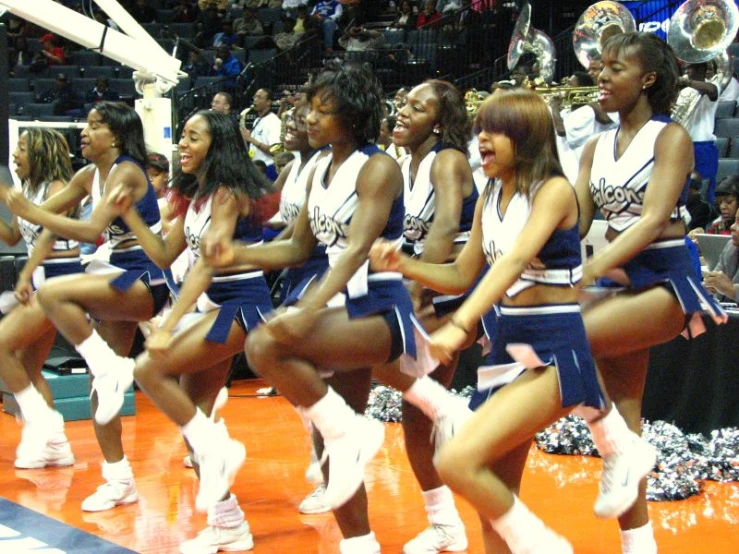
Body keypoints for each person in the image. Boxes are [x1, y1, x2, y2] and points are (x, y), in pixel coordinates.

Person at [203, 62, 470, 554]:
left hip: (380, 309)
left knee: (265, 343)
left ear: (351, 115)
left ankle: (368, 429)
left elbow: (354, 249)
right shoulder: (320, 169)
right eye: (310, 106)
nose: (308, 117)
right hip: (342, 306)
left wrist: (308, 308)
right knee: (329, 439)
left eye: (323, 110)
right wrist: (237, 254)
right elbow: (296, 247)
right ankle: (359, 542)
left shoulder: (378, 166)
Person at [370, 88, 607, 554]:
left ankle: (542, 544)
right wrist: (405, 265)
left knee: (457, 461)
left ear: (526, 137)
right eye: (480, 129)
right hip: (505, 351)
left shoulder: (553, 190)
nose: (482, 139)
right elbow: (461, 273)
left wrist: (461, 324)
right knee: (493, 497)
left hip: (553, 351)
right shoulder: (490, 196)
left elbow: (516, 259)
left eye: (496, 130)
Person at [575, 32, 727, 554]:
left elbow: (652, 221)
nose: (602, 75)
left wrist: (586, 269)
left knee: (562, 334)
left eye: (615, 68)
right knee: (624, 411)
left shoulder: (671, 138)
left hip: (665, 280)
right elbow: (576, 219)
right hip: (615, 282)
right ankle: (640, 544)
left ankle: (622, 452)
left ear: (648, 79)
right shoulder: (594, 145)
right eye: (600, 66)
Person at [105, 109, 273, 553]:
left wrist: (168, 324)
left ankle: (221, 453)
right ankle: (228, 523)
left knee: (147, 369)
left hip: (241, 305)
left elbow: (206, 266)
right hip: (213, 308)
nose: (183, 144)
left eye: (193, 137)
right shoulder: (196, 195)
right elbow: (163, 254)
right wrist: (130, 216)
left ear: (216, 145)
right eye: (182, 136)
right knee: (193, 418)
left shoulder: (229, 194)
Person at [1, 102, 170, 513]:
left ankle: (107, 369)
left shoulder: (128, 170)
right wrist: (26, 270)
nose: (85, 131)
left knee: (55, 296)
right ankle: (119, 479)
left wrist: (30, 210)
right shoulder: (86, 175)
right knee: (102, 390)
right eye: (87, 123)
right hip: (112, 275)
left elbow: (91, 231)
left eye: (95, 125)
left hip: (143, 278)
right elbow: (47, 225)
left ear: (115, 135)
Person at [391, 79, 478, 554]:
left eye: (416, 107)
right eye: (404, 102)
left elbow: (445, 224)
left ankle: (450, 523)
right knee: (416, 414)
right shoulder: (407, 163)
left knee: (406, 391)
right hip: (423, 287)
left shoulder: (447, 159)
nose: (403, 111)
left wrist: (417, 288)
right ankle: (446, 525)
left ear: (440, 123)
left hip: (451, 295)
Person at [0, 129, 81, 471]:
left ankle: (42, 423)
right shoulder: (28, 190)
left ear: (40, 152)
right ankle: (58, 446)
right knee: (29, 369)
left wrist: (23, 277)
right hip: (40, 283)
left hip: (59, 282)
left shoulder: (58, 189)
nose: (15, 154)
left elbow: (48, 236)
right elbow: (14, 235)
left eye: (21, 148)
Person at [673, 61, 720, 202]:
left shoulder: (712, 84)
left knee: (705, 187)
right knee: (681, 186)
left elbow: (713, 91)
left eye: (691, 67)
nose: (687, 70)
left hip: (702, 145)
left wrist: (687, 82)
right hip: (682, 144)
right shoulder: (684, 91)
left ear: (702, 68)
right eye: (686, 68)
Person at [242, 88, 282, 181]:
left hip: (269, 169)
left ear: (268, 102)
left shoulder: (274, 121)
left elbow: (276, 150)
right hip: (257, 168)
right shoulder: (257, 120)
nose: (255, 100)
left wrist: (251, 140)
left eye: (259, 97)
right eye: (255, 97)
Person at [703, 209, 739, 303]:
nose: (732, 227)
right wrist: (709, 286)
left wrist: (731, 290)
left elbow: (726, 288)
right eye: (735, 221)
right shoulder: (731, 247)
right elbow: (713, 284)